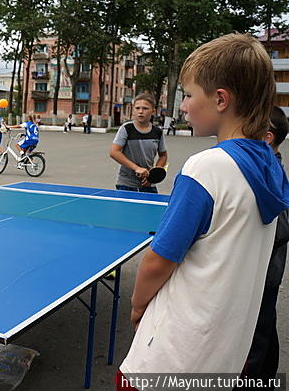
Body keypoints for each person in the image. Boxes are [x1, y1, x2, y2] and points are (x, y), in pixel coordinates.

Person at [116, 34, 289, 390]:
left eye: (189, 95)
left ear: (221, 99)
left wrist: (135, 306)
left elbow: (157, 260)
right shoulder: (271, 168)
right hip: (224, 354)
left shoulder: (207, 168)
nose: (183, 106)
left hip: (171, 355)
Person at [242, 106, 289, 387]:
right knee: (265, 330)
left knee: (256, 338)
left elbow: (282, 227)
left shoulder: (272, 171)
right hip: (263, 271)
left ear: (267, 137)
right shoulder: (267, 166)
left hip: (263, 273)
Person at [109, 93, 167, 193]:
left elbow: (163, 156)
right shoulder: (126, 129)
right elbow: (114, 152)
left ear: (153, 111)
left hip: (148, 184)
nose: (140, 111)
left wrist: (153, 175)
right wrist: (136, 168)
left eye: (145, 108)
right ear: (133, 110)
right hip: (126, 185)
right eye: (137, 108)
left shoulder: (158, 132)